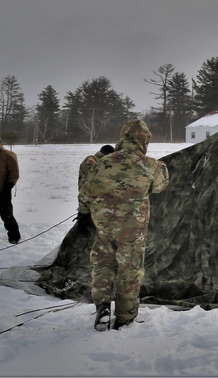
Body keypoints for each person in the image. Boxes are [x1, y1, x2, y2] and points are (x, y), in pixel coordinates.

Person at [79, 120, 169, 331]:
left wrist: (84, 212)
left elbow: (85, 192)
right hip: (132, 229)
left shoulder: (102, 163)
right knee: (130, 270)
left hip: (104, 225)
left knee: (103, 264)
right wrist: (160, 166)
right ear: (144, 141)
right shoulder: (149, 165)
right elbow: (161, 185)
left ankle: (102, 305)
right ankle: (125, 318)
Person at [75, 145, 115, 237]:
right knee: (84, 229)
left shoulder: (100, 162)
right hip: (87, 200)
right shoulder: (91, 161)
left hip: (93, 200)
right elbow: (95, 180)